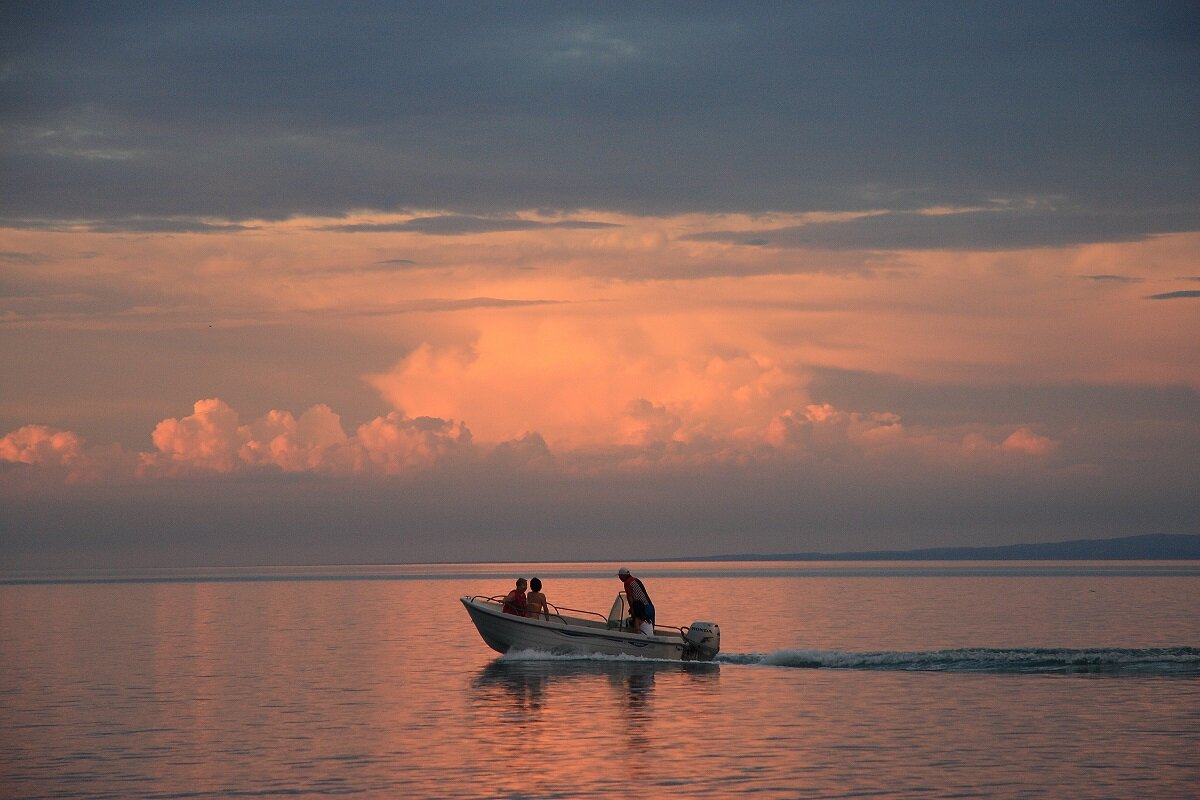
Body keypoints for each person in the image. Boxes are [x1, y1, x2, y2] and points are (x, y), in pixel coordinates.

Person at [617, 567, 655, 635]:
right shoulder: (636, 580)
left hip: (643, 608)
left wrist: (632, 609)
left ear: (623, 576)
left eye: (619, 576)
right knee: (650, 627)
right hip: (650, 607)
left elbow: (629, 597)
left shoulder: (627, 583)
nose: (619, 578)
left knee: (636, 623)